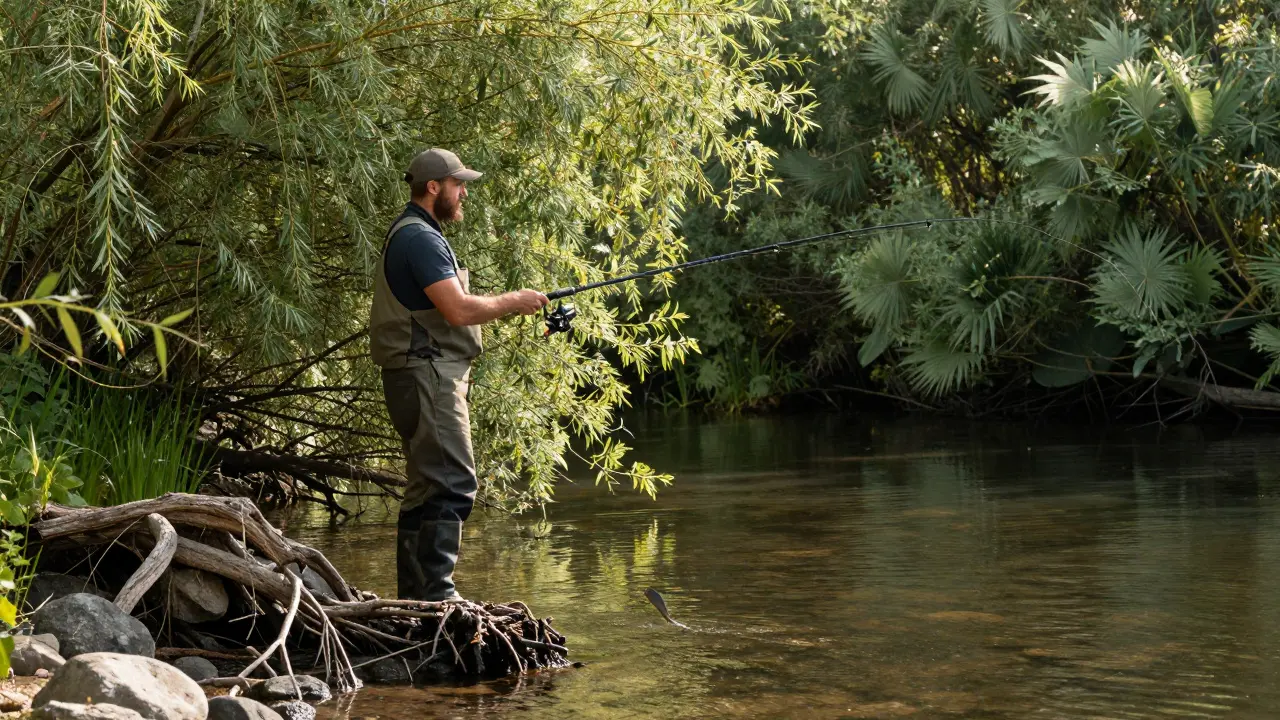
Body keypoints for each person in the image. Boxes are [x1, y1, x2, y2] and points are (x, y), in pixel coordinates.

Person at [369, 148, 547, 601]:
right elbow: (459, 309)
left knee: (425, 486)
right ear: (434, 187)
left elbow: (446, 304)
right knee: (453, 481)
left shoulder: (412, 232)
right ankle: (438, 597)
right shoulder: (420, 240)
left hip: (413, 377)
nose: (464, 192)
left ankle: (413, 599)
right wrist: (515, 300)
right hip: (428, 377)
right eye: (458, 184)